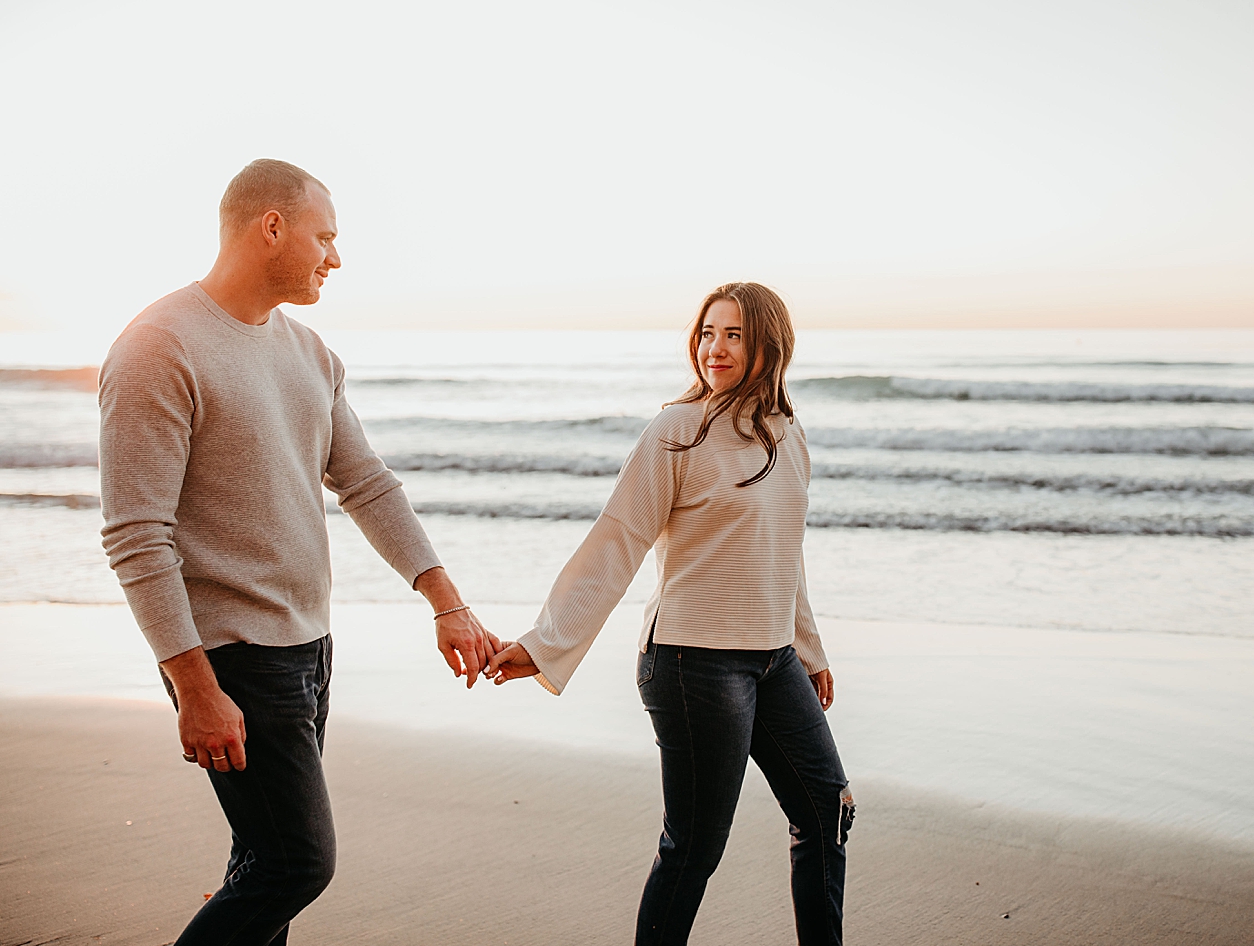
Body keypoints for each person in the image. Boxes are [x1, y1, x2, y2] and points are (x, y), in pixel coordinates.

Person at [98, 158, 497, 945]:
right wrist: (194, 685)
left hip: (307, 648)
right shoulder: (158, 346)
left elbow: (368, 484)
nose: (335, 258)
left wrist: (446, 602)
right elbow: (137, 534)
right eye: (326, 237)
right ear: (270, 227)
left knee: (264, 865)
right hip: (230, 657)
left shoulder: (311, 352)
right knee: (296, 863)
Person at [487, 282, 854, 946]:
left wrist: (810, 646)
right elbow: (619, 537)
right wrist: (547, 641)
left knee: (827, 810)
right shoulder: (676, 431)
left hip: (772, 659)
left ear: (769, 344)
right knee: (695, 848)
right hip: (692, 662)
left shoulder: (788, 433)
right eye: (708, 332)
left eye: (734, 334)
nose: (715, 347)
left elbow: (784, 549)